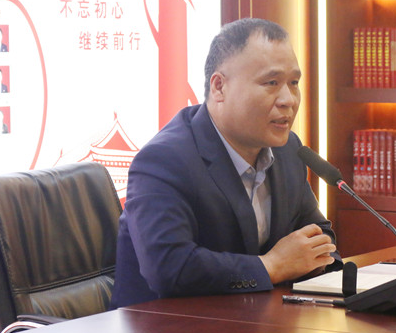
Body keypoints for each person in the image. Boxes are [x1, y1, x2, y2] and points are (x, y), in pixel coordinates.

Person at [111, 18, 342, 308]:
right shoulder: (164, 161)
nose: (289, 99)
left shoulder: (287, 150)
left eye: (293, 83)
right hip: (165, 329)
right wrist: (272, 266)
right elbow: (169, 268)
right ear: (219, 87)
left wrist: (315, 259)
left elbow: (318, 234)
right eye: (271, 83)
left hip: (254, 321)